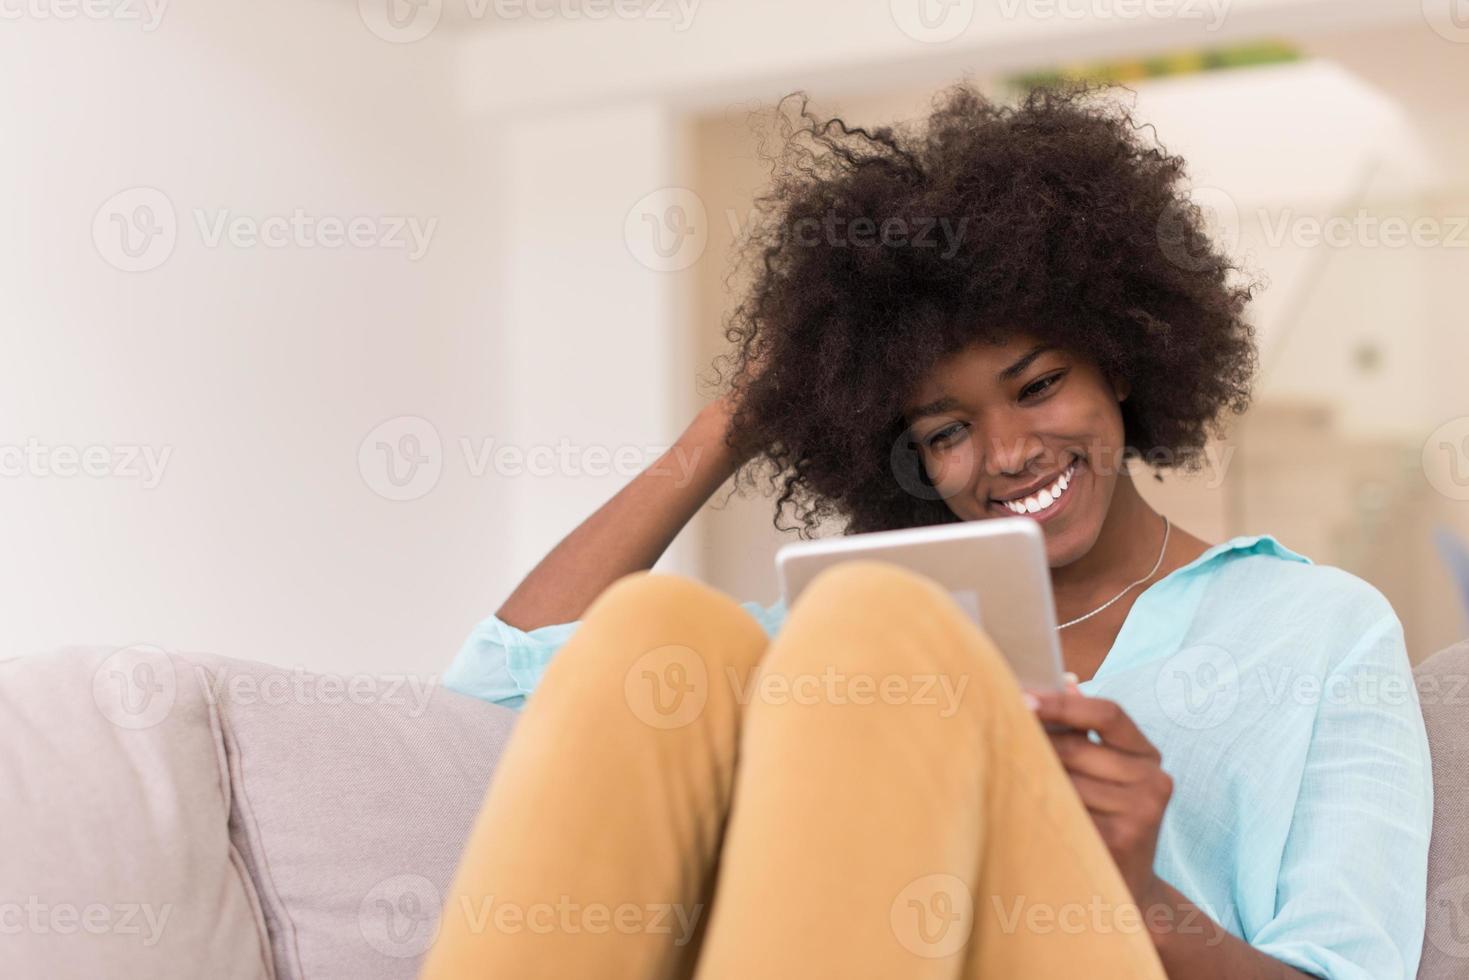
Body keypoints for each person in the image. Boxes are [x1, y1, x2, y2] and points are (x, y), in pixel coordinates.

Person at [420, 82, 1431, 979]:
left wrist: (1144, 895)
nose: (1004, 453)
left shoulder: (1318, 627)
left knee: (877, 620)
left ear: (1117, 361)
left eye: (1036, 386)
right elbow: (498, 682)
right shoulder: (829, 636)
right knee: (657, 628)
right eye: (945, 430)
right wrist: (735, 418)